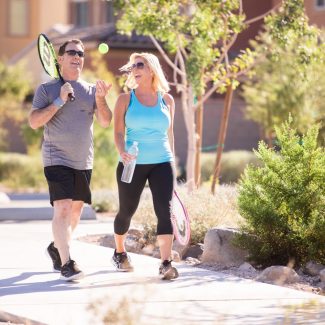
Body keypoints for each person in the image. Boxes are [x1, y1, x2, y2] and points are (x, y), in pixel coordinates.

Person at [29, 39, 112, 281]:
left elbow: (106, 121)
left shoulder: (89, 90)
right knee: (63, 207)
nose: (77, 56)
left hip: (83, 161)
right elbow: (34, 122)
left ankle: (57, 247)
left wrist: (101, 99)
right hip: (56, 158)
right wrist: (59, 100)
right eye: (72, 52)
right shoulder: (47, 90)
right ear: (60, 58)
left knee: (76, 211)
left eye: (81, 53)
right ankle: (67, 263)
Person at [112, 52, 178, 280]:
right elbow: (118, 133)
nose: (134, 69)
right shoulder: (124, 99)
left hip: (162, 162)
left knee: (164, 211)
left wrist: (173, 164)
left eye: (139, 64)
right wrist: (122, 151)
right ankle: (119, 252)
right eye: (132, 66)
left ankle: (166, 263)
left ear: (152, 69)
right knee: (126, 211)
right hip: (132, 163)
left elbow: (170, 135)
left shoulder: (167, 100)